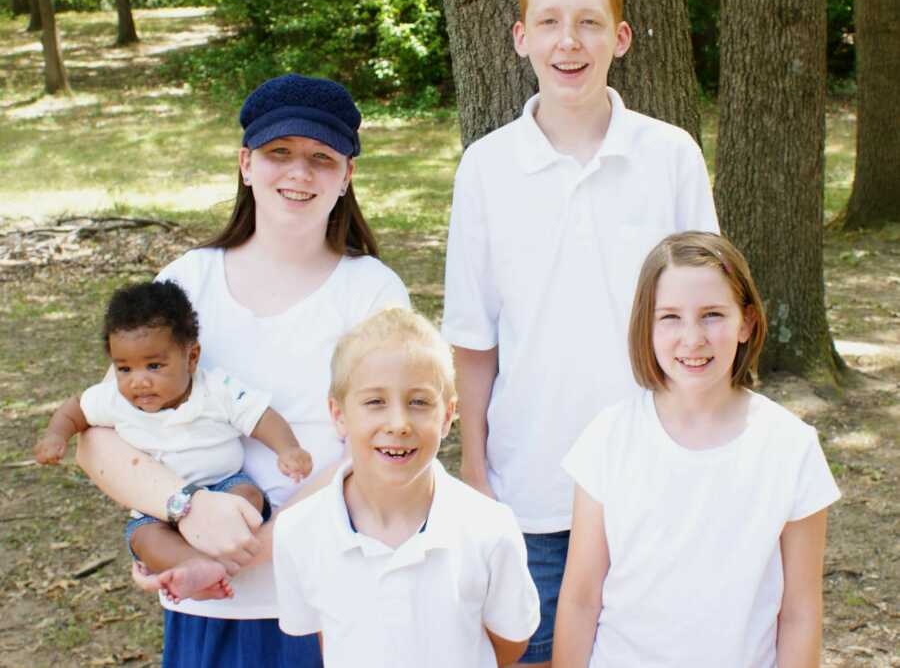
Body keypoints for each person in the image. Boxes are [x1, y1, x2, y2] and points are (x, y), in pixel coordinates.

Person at [441, 0, 718, 665]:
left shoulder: (672, 156)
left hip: (654, 483)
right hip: (528, 491)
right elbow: (474, 339)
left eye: (591, 23)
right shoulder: (486, 168)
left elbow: (709, 326)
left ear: (620, 39)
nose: (570, 42)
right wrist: (476, 471)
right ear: (520, 37)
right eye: (551, 22)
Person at [75, 73, 410, 668]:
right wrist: (183, 516)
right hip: (209, 608)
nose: (299, 173)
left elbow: (384, 448)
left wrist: (250, 548)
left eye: (321, 158)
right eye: (279, 153)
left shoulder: (371, 292)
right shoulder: (187, 280)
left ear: (347, 177)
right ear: (246, 164)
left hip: (328, 596)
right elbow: (100, 438)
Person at [554, 231, 841, 667]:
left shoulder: (789, 447)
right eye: (670, 317)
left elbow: (800, 613)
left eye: (712, 315)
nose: (692, 338)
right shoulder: (608, 438)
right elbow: (580, 599)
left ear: (746, 322)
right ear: (646, 325)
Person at [273, 308, 540, 667]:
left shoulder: (490, 528)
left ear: (447, 416)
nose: (398, 423)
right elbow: (325, 635)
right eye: (375, 402)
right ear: (338, 415)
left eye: (419, 402)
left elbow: (509, 643)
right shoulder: (297, 531)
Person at [34, 280, 313, 602]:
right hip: (157, 504)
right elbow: (76, 409)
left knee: (248, 495)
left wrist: (288, 448)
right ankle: (195, 567)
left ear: (191, 357)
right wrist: (56, 435)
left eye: (154, 366)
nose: (139, 381)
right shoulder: (114, 399)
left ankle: (218, 550)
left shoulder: (216, 389)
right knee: (144, 539)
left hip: (224, 486)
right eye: (124, 368)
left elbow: (261, 416)